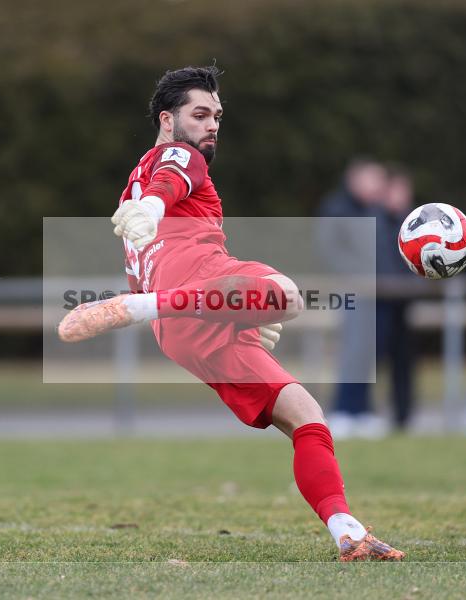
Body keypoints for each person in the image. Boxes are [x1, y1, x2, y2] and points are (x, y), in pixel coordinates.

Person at [58, 66, 404, 559]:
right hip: (188, 286)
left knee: (306, 417)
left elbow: (147, 248)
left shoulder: (132, 187)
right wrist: (154, 213)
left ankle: (347, 531)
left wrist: (233, 313)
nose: (211, 125)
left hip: (176, 325)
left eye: (217, 116)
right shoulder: (177, 157)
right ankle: (137, 308)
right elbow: (174, 175)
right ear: (167, 120)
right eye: (199, 114)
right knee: (289, 296)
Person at [316, 158, 390, 439]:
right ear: (355, 180)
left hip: (378, 293)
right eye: (373, 179)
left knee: (369, 355)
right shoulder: (337, 209)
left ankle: (363, 410)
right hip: (351, 291)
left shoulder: (378, 210)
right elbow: (330, 250)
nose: (379, 186)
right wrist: (358, 276)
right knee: (352, 352)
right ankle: (343, 410)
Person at [376, 165, 419, 431]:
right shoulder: (376, 220)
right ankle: (365, 413)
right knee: (374, 361)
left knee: (404, 362)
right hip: (378, 304)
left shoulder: (414, 224)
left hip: (404, 304)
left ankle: (403, 416)